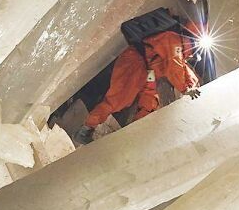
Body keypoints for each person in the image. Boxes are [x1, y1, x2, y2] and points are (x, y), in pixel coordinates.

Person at [74, 21, 202, 145]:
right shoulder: (174, 41)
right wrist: (185, 89)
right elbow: (174, 67)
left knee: (150, 101)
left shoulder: (179, 50)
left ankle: (134, 134)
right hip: (134, 62)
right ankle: (86, 129)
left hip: (148, 71)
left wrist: (193, 86)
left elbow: (184, 69)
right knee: (119, 99)